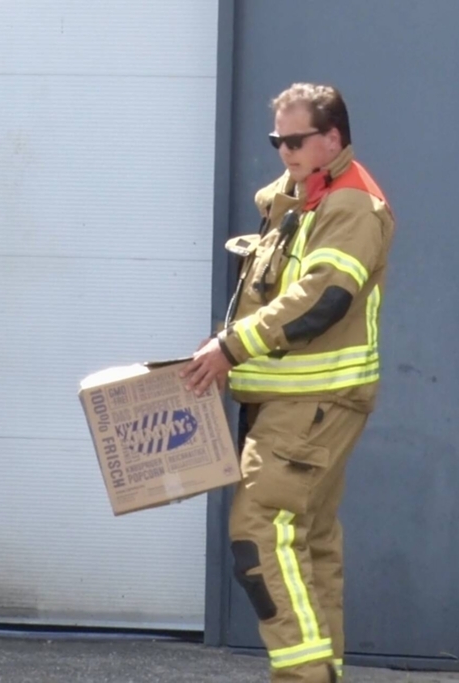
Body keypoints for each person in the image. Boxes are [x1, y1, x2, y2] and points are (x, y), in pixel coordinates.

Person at [181, 82, 395, 683]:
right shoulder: (303, 199)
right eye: (277, 141)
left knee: (257, 535)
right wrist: (224, 341)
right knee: (309, 544)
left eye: (296, 141)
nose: (284, 152)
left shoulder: (351, 205)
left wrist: (232, 346)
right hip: (295, 403)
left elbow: (322, 299)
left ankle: (304, 677)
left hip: (310, 405)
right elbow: (271, 289)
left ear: (333, 138)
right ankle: (323, 672)